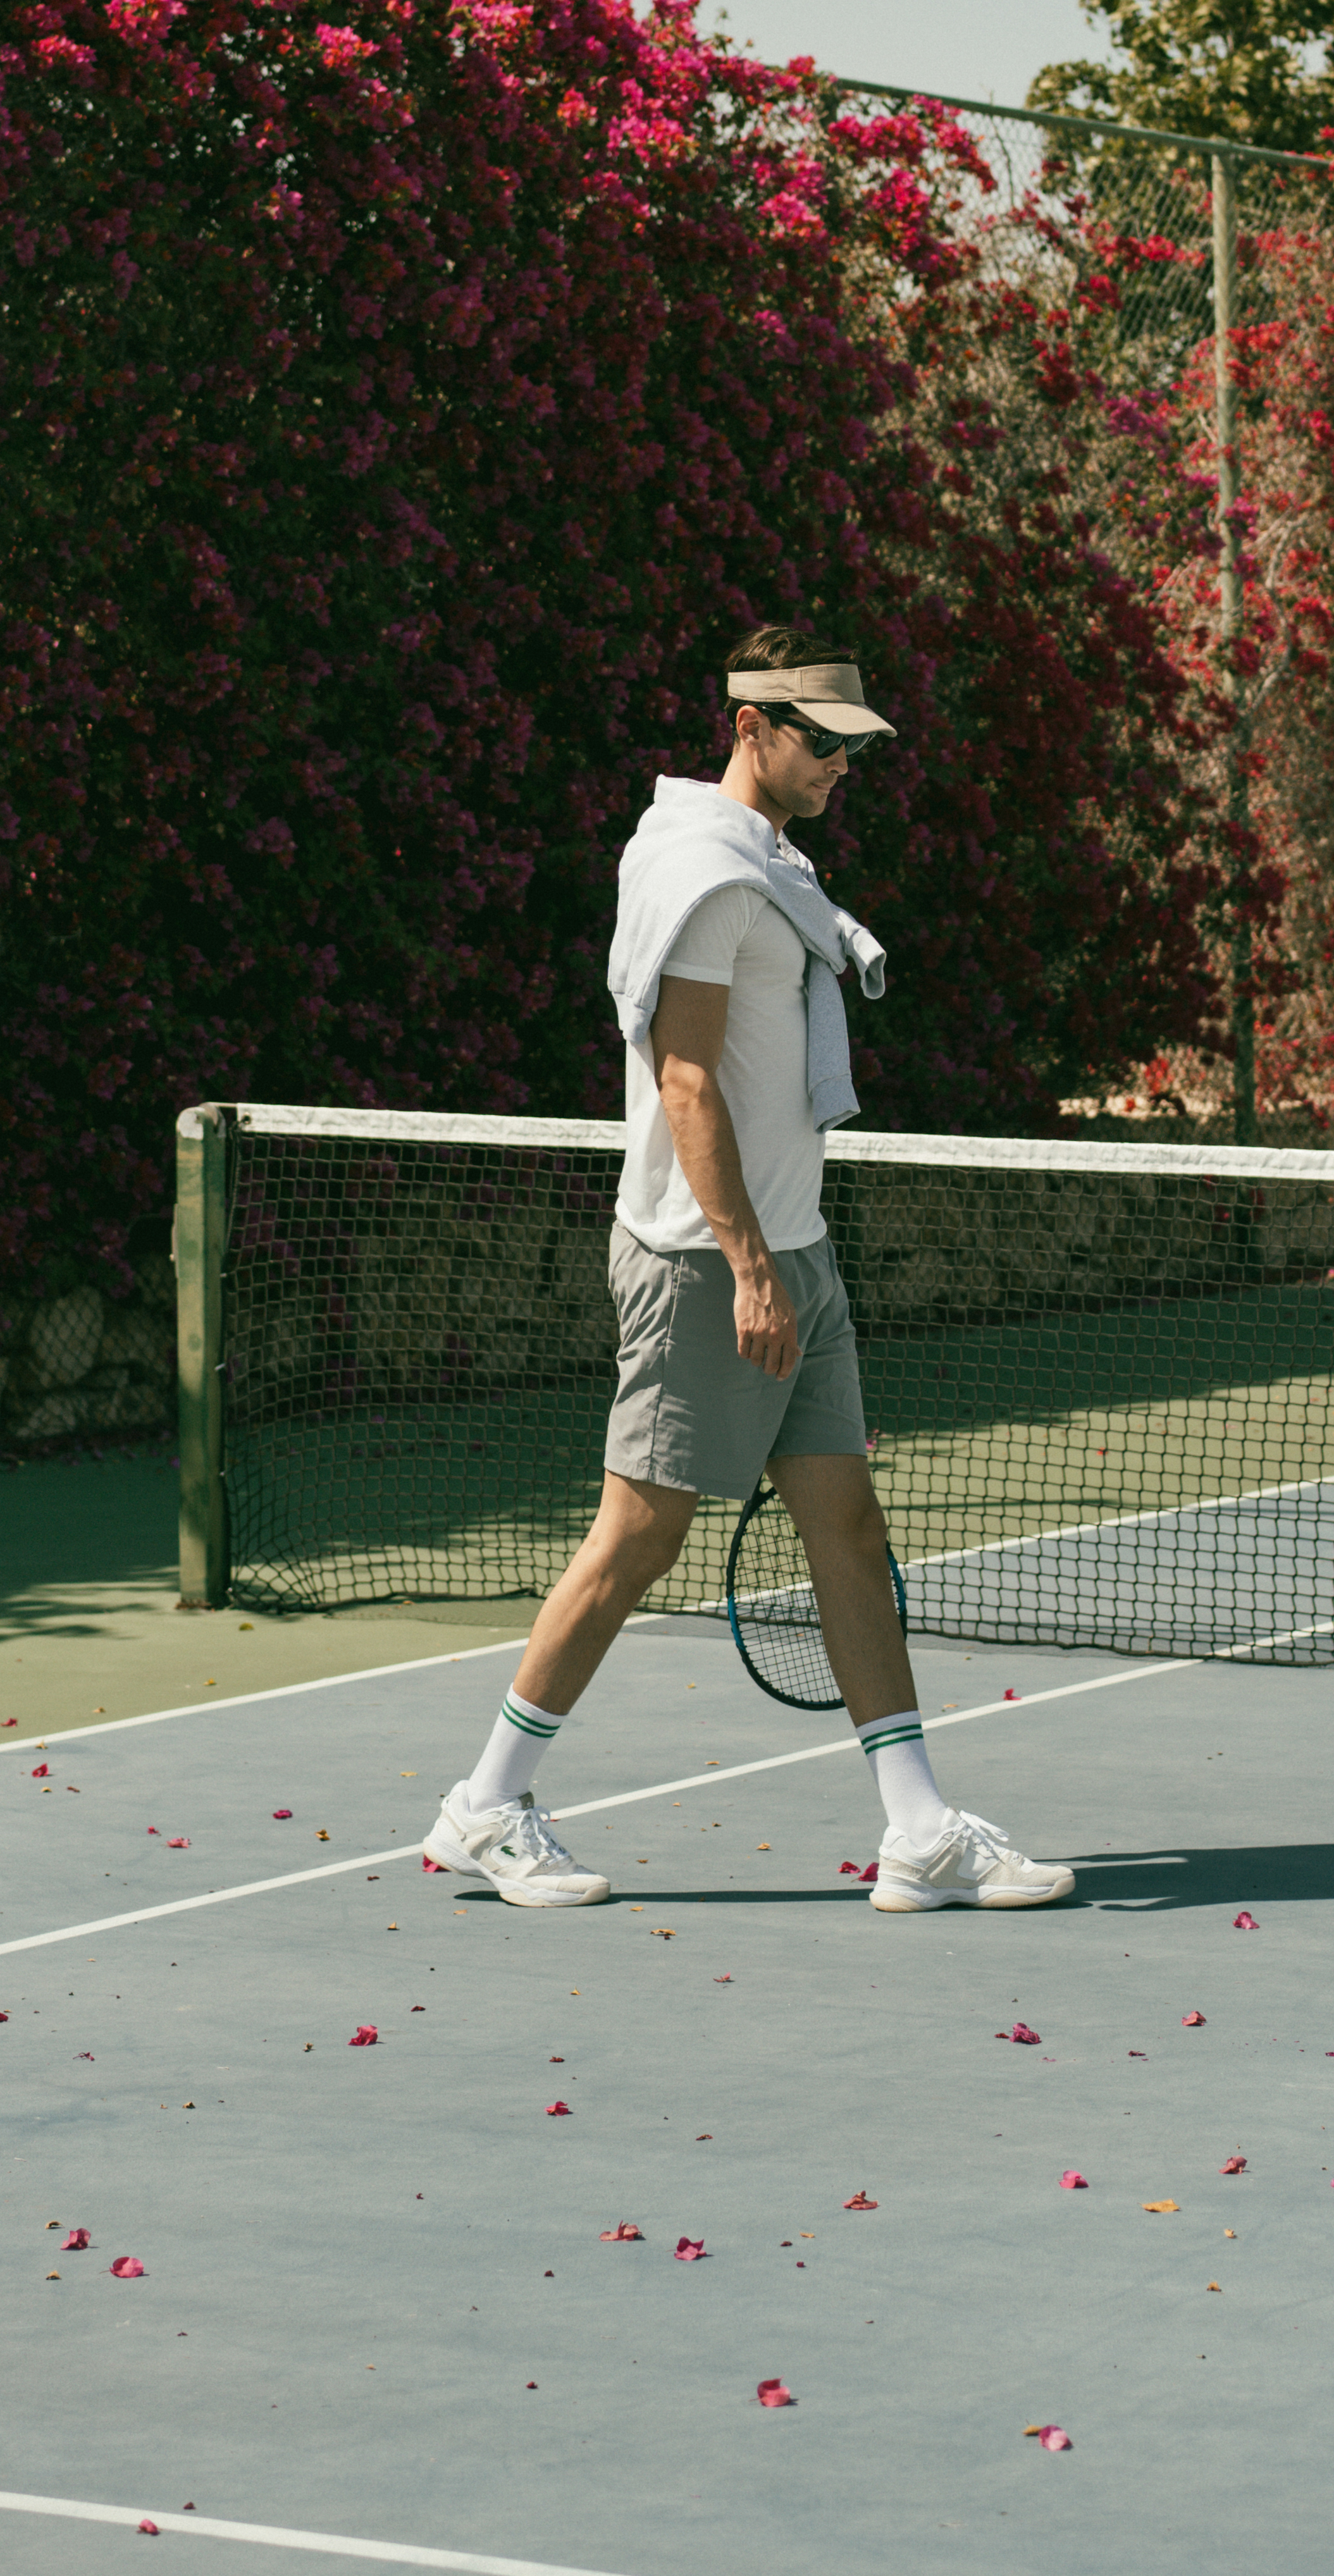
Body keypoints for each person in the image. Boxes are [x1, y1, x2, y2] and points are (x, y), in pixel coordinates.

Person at [423, 624, 1073, 1918]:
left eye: (852, 745)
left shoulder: (768, 864)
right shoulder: (707, 878)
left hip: (795, 1251)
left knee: (846, 1526)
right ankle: (483, 1806)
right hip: (714, 1264)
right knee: (637, 1537)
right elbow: (684, 1080)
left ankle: (917, 1830)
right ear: (751, 728)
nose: (842, 763)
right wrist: (748, 1266)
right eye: (820, 741)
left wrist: (788, 1262)